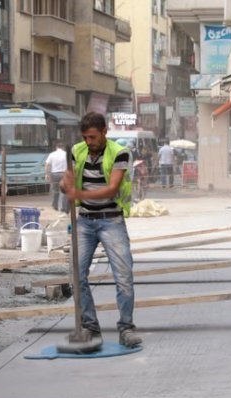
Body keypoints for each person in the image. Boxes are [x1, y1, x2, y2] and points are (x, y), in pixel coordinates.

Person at [61, 112, 142, 348]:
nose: (89, 142)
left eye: (93, 137)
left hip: (111, 221)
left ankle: (126, 328)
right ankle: (90, 327)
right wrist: (65, 184)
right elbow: (70, 180)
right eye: (85, 137)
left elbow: (112, 188)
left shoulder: (120, 152)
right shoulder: (77, 151)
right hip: (84, 221)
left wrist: (79, 194)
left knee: (124, 277)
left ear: (105, 132)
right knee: (76, 276)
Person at [45, 141, 69, 214]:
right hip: (64, 174)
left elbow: (47, 164)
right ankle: (64, 208)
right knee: (64, 191)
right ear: (63, 147)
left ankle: (55, 206)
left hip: (54, 174)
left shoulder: (52, 154)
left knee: (55, 191)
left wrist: (47, 174)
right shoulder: (66, 154)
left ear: (56, 147)